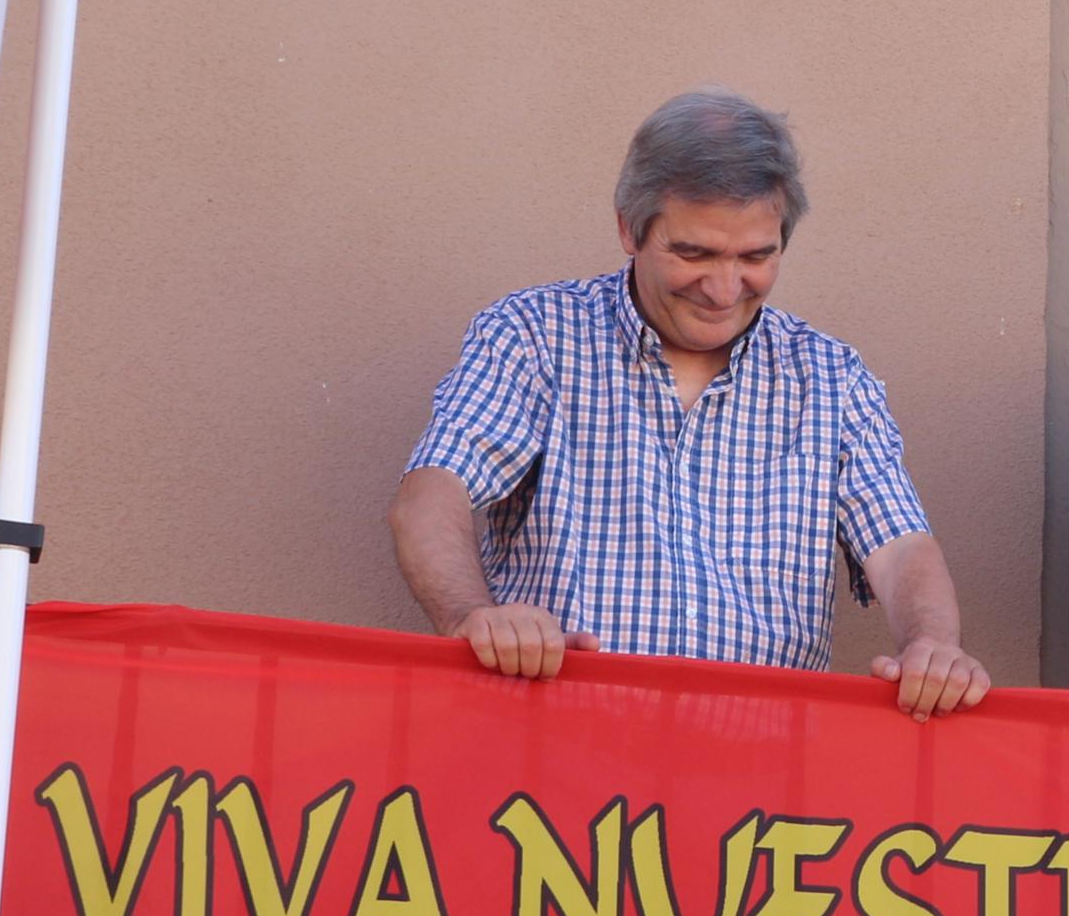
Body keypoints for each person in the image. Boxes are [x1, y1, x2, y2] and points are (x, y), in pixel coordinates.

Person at [391, 91, 989, 715]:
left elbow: (901, 548)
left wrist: (933, 646)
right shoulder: (533, 335)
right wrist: (472, 617)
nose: (724, 288)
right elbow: (431, 496)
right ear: (629, 226)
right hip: (555, 764)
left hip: (755, 782)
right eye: (694, 253)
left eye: (757, 256)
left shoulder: (830, 377)